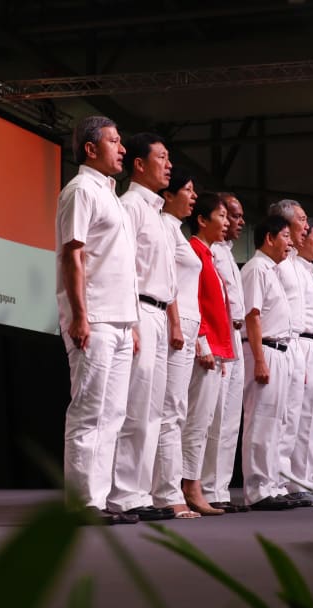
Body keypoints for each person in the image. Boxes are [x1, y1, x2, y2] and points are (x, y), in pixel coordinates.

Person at [56, 116, 139, 525]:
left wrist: (133, 323)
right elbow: (73, 255)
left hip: (120, 320)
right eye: (114, 141)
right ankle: (81, 504)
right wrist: (80, 316)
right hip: (96, 318)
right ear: (90, 149)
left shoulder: (111, 195)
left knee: (113, 414)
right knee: (90, 412)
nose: (122, 149)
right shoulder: (80, 190)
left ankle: (99, 499)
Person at [106, 133, 176, 521]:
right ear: (139, 164)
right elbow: (125, 268)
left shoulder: (157, 213)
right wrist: (131, 320)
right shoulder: (130, 206)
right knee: (135, 406)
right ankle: (123, 493)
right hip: (141, 310)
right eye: (161, 157)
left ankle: (140, 491)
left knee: (153, 410)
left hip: (160, 313)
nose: (168, 165)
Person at [152, 168, 202, 519]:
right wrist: (175, 324)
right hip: (176, 323)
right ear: (168, 195)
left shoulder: (176, 230)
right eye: (187, 189)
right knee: (170, 410)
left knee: (176, 410)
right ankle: (168, 493)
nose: (193, 196)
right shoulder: (165, 228)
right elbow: (166, 280)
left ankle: (166, 488)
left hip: (187, 324)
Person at [180, 193, 234, 516]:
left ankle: (192, 483)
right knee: (196, 421)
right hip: (204, 346)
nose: (227, 223)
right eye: (222, 216)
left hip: (216, 348)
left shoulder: (209, 255)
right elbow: (193, 301)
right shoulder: (194, 252)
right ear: (202, 220)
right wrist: (203, 345)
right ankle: (190, 486)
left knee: (205, 421)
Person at [239, 215, 295, 510]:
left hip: (280, 350)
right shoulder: (256, 268)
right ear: (269, 238)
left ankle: (271, 484)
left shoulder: (272, 271)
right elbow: (252, 315)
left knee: (276, 422)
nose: (290, 243)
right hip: (264, 350)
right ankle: (257, 489)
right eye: (285, 236)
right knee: (260, 421)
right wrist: (260, 359)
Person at [201, 192, 250, 512]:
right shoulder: (210, 251)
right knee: (214, 416)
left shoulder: (227, 253)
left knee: (230, 418)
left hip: (234, 335)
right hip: (219, 335)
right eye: (232, 215)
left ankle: (220, 488)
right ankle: (207, 487)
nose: (239, 222)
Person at [266, 199, 312, 505]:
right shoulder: (277, 262)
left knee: (292, 418)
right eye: (302, 220)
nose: (306, 226)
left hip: (295, 343)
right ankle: (272, 482)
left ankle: (283, 482)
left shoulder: (296, 262)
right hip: (278, 341)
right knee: (277, 418)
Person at [284, 218, 313, 507]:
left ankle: (306, 480)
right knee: (297, 419)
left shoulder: (308, 272)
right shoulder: (290, 266)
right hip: (302, 341)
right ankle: (294, 482)